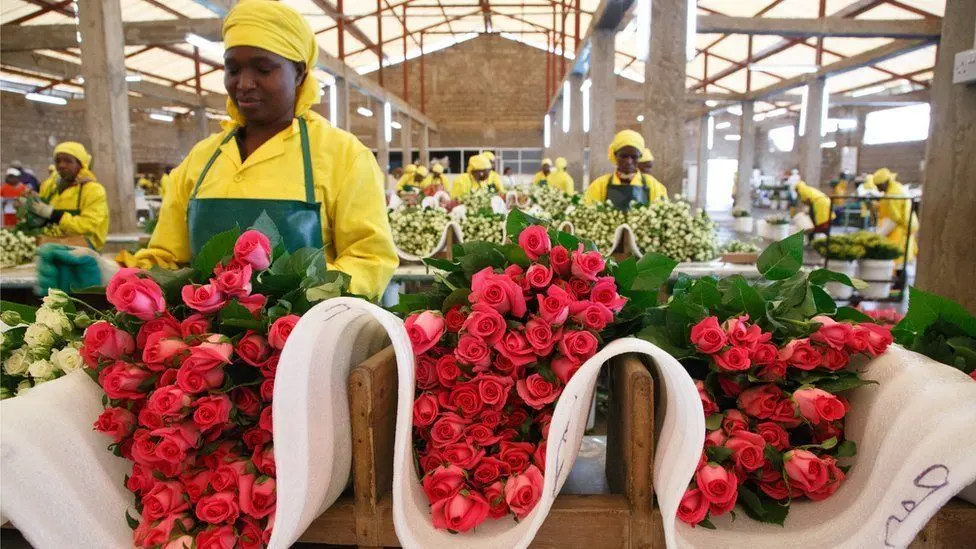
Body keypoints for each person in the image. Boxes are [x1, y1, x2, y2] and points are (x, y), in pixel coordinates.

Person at [41, 0, 396, 298]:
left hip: (304, 347)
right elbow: (167, 260)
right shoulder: (202, 159)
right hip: (203, 355)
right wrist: (108, 275)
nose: (244, 84)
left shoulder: (343, 157)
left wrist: (299, 300)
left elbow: (369, 260)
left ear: (300, 73)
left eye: (263, 68)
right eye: (232, 68)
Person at [30, 142, 110, 249]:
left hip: (84, 246)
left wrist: (56, 216)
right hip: (52, 242)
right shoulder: (50, 186)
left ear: (80, 164)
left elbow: (88, 224)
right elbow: (39, 212)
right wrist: (28, 204)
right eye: (58, 161)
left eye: (68, 161)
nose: (61, 165)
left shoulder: (92, 190)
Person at [585, 130, 666, 209]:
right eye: (623, 156)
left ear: (640, 157)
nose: (628, 161)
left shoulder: (653, 185)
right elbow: (589, 212)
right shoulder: (600, 185)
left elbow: (661, 214)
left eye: (634, 157)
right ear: (615, 155)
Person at [871, 167, 918, 264]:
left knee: (896, 259)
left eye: (879, 185)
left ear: (886, 182)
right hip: (899, 228)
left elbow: (894, 219)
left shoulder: (893, 194)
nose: (878, 188)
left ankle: (897, 276)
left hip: (898, 230)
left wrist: (878, 235)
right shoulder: (895, 188)